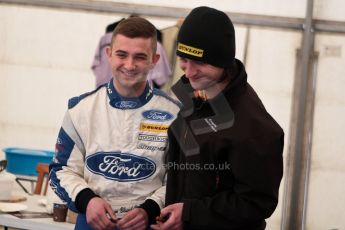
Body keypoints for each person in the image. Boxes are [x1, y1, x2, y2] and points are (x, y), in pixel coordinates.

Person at [151, 6, 284, 230]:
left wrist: (189, 213)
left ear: (223, 61)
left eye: (200, 63)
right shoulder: (190, 97)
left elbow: (256, 203)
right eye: (183, 59)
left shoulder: (254, 128)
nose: (189, 72)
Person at [49, 16, 180, 230]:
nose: (129, 65)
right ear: (108, 54)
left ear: (154, 60)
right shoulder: (80, 109)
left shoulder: (174, 114)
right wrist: (87, 200)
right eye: (122, 55)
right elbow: (61, 169)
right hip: (91, 223)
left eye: (140, 57)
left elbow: (179, 177)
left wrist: (150, 209)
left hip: (148, 225)